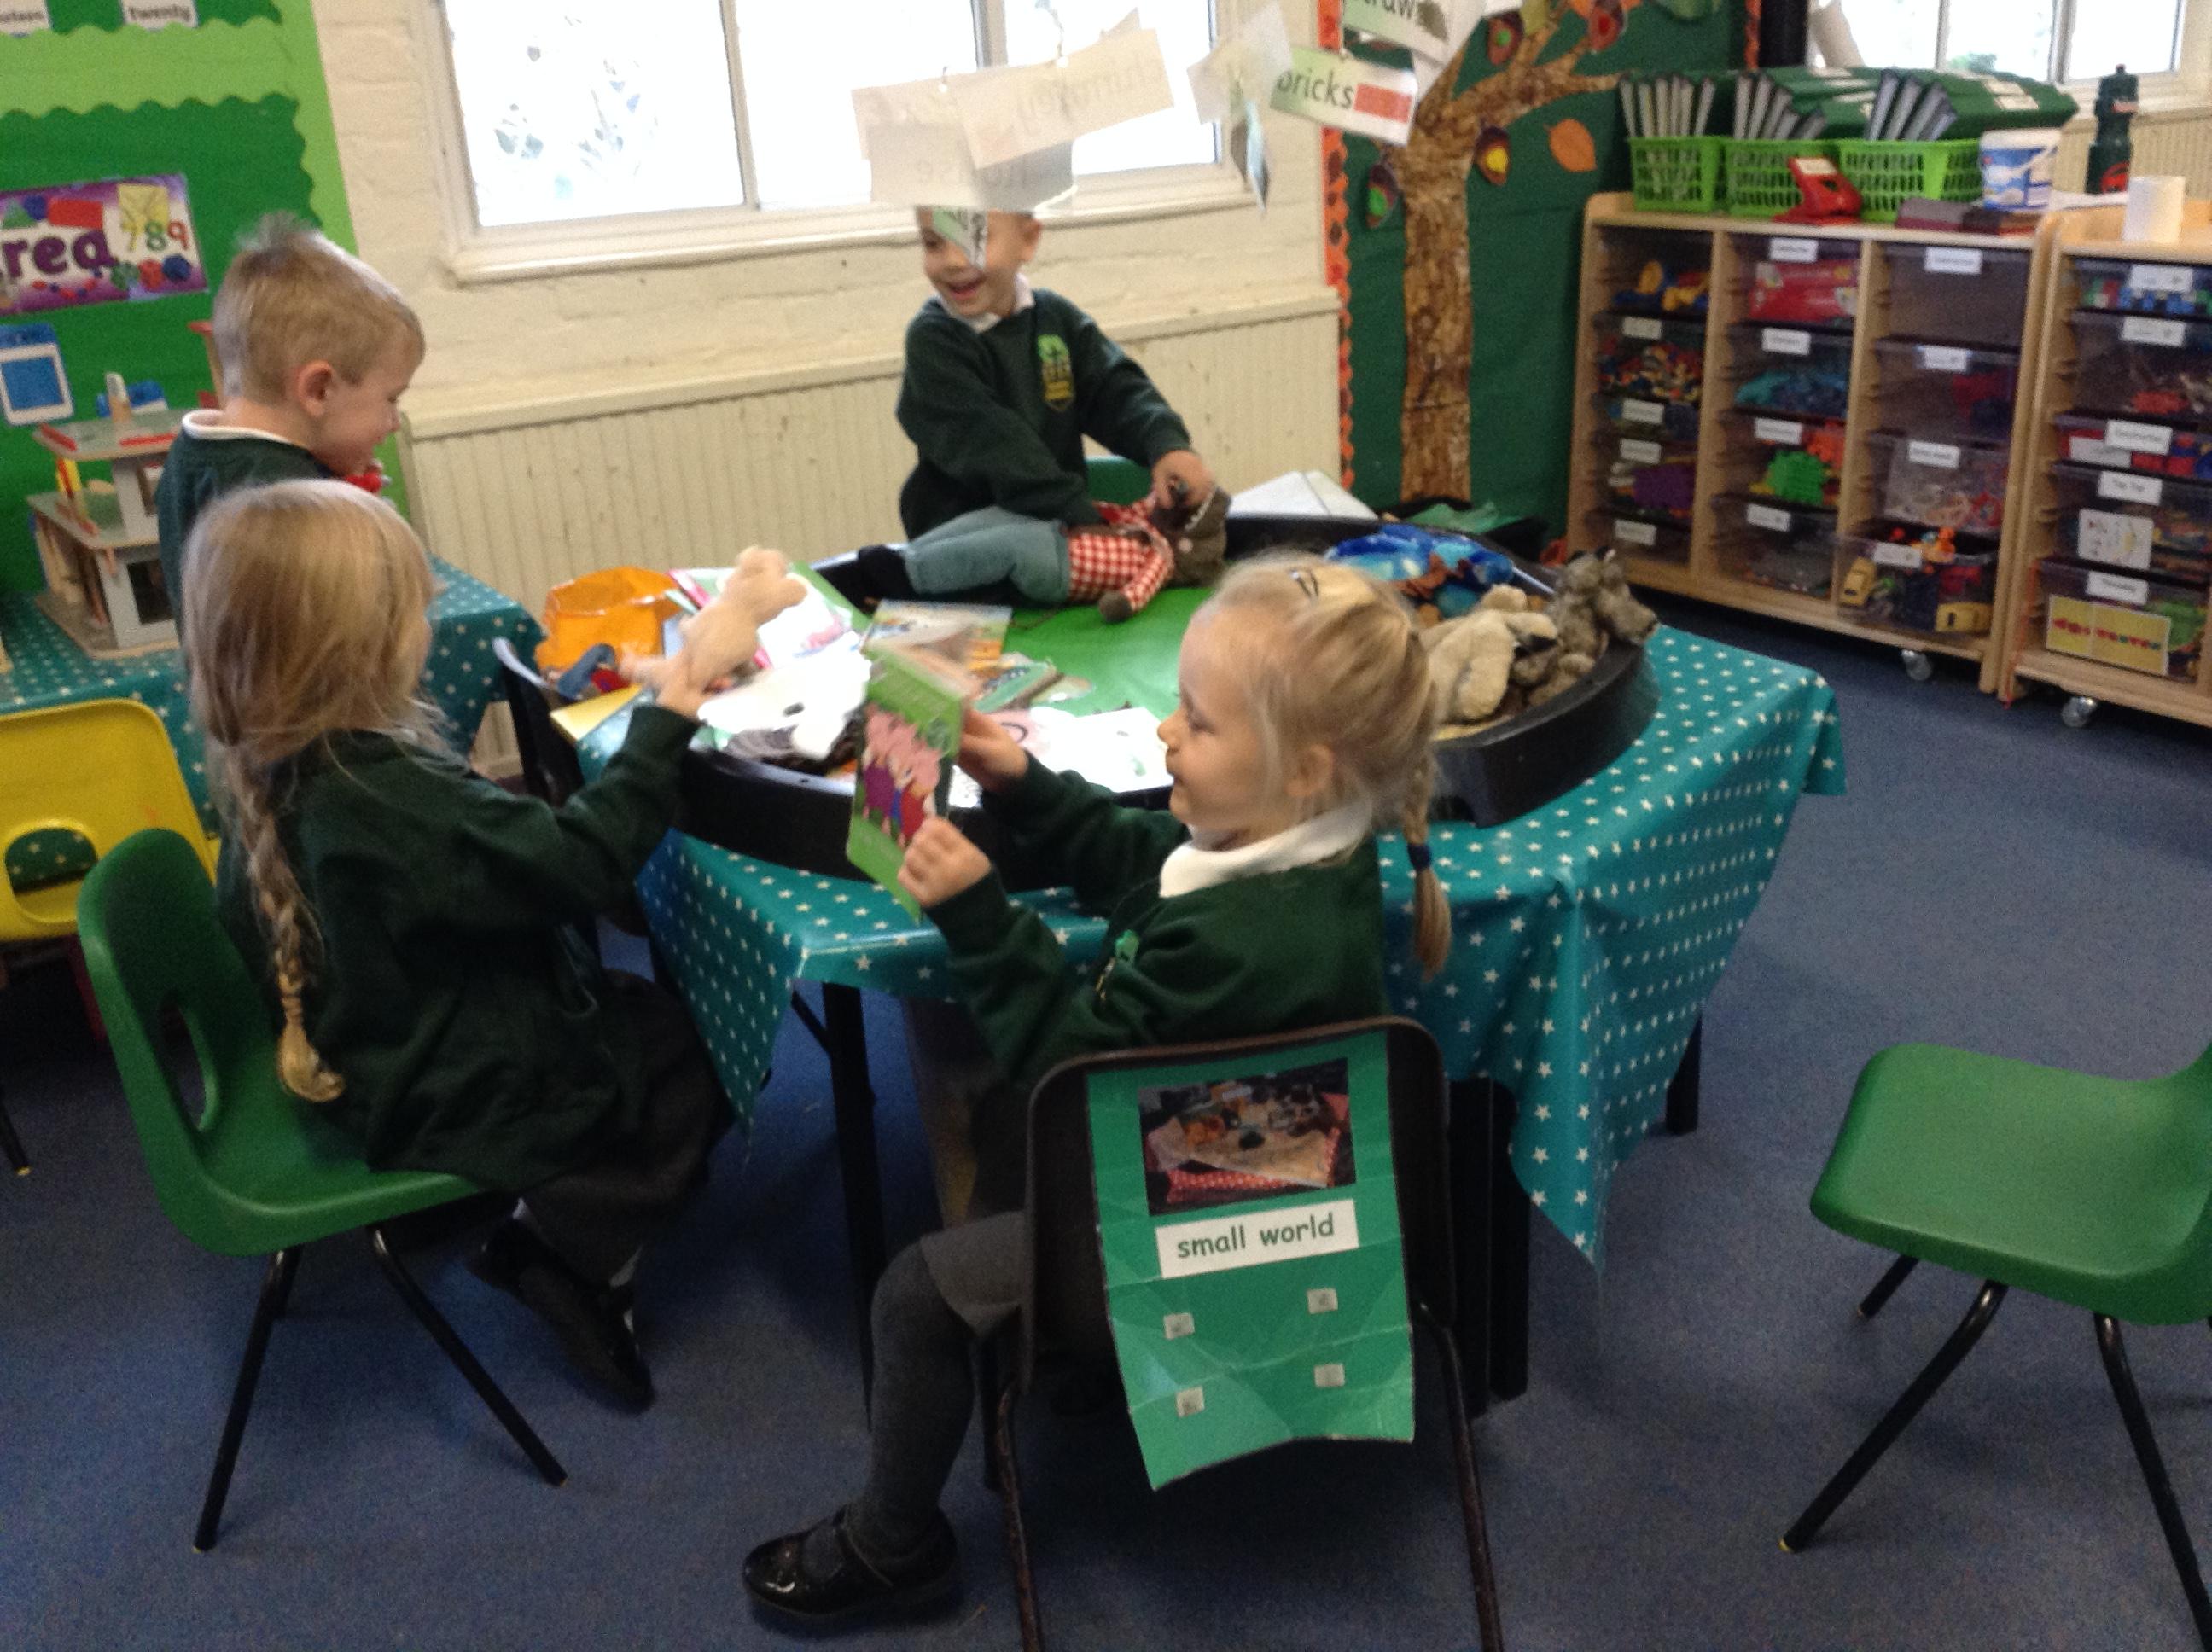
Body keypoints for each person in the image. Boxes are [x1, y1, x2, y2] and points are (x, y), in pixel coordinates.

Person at [742, 556, 1451, 1626]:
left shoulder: (1242, 941)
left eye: (1198, 721)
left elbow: (1067, 1071)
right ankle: (1070, 1360)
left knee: (915, 1295)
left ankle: (894, 1548)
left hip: (1210, 1237)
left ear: (1304, 770)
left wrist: (981, 916)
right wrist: (1025, 782)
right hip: (1256, 1178)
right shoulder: (1310, 850)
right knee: (998, 1127)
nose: (1168, 731)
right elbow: (1147, 857)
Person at [183, 479, 740, 1410]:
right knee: (700, 1054)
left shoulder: (276, 765)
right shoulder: (386, 799)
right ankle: (568, 1256)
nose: (428, 626)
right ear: (361, 649)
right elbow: (585, 863)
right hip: (447, 1086)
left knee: (643, 1018)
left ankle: (545, 1220)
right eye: (414, 610)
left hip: (372, 1054)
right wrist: (675, 706)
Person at [833, 209, 1227, 622]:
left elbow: (1114, 388)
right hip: (963, 560)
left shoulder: (1055, 319)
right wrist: (1084, 518)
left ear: (1028, 239)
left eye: (974, 240)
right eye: (933, 243)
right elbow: (996, 444)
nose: (951, 260)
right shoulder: (934, 340)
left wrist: (1165, 443)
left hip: (1058, 541)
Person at [155, 214, 423, 637]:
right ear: (318, 389)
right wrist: (355, 514)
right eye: (391, 399)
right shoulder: (285, 496)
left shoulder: (192, 457)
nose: (393, 423)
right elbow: (362, 610)